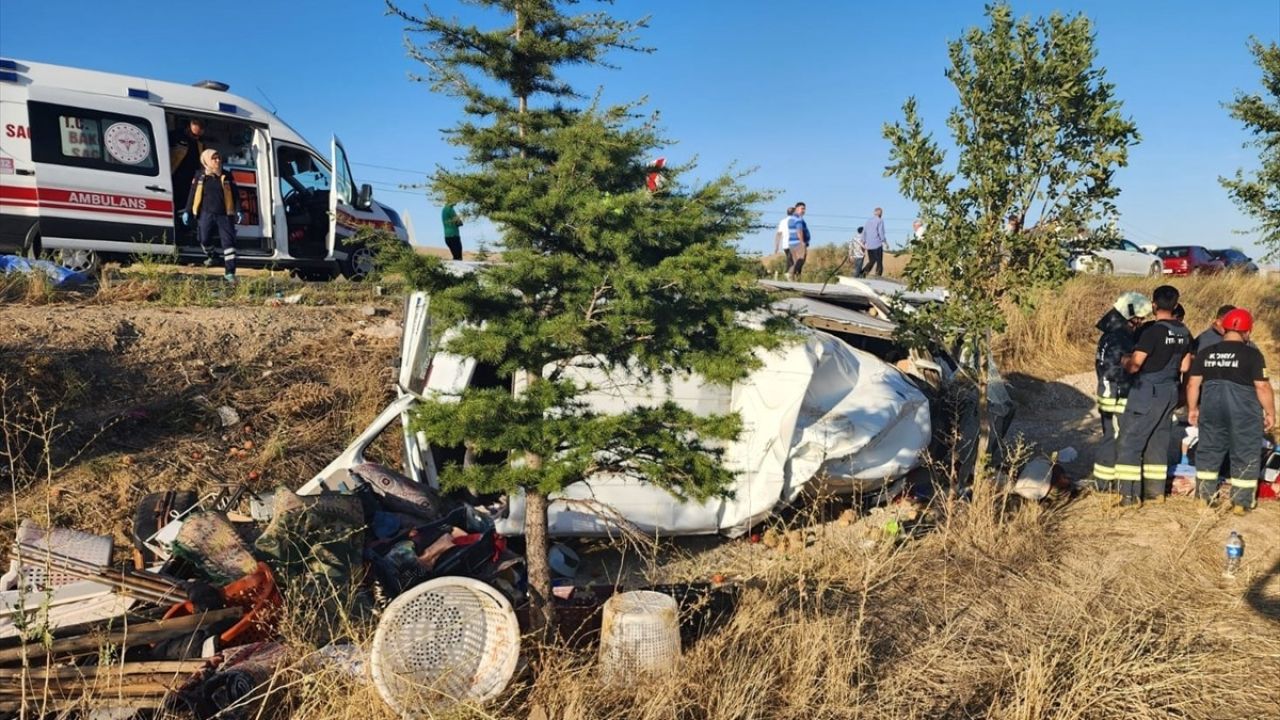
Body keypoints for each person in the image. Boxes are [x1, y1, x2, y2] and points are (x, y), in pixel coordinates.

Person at [1186, 308, 1274, 514]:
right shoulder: (1252, 354)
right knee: (1245, 453)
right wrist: (1271, 413)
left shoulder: (1207, 352)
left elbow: (1192, 384)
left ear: (1223, 327)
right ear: (1247, 331)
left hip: (1211, 409)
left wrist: (1192, 409)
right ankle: (1241, 503)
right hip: (1243, 412)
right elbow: (1262, 387)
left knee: (1209, 451)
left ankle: (1204, 497)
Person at [1114, 285, 1193, 507]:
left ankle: (1128, 497)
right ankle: (1155, 493)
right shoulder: (1184, 332)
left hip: (1147, 391)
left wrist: (1123, 360)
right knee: (1158, 443)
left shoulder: (1152, 332)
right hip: (1169, 391)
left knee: (1130, 443)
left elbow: (1135, 365)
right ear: (1176, 305)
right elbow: (1186, 365)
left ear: (1153, 305)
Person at [1092, 292, 1152, 493]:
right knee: (1115, 436)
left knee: (1111, 434)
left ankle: (1104, 482)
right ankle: (1104, 485)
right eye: (1140, 318)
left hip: (1108, 391)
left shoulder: (1111, 335)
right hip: (1116, 393)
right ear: (1130, 314)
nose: (1141, 321)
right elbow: (1128, 366)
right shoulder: (1119, 339)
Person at [183, 149, 241, 282]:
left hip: (225, 214)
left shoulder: (227, 175)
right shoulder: (200, 175)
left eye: (219, 158)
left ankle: (230, 272)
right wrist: (187, 210)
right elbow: (192, 193)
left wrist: (238, 210)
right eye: (214, 158)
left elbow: (235, 194)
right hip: (206, 213)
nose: (218, 160)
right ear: (206, 160)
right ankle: (212, 255)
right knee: (204, 239)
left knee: (229, 243)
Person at [169, 117, 206, 240]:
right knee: (175, 203)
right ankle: (176, 231)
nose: (200, 130)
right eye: (197, 125)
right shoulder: (177, 136)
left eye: (202, 128)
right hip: (175, 176)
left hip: (192, 180)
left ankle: (185, 232)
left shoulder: (201, 143)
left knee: (187, 206)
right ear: (191, 124)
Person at [786, 202, 809, 281]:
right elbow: (799, 231)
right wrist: (802, 242)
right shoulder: (798, 219)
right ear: (797, 208)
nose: (803, 211)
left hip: (791, 243)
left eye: (804, 209)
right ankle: (791, 274)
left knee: (796, 261)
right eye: (802, 209)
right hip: (798, 244)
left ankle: (794, 279)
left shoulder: (791, 219)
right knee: (800, 261)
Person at [862, 208, 887, 277]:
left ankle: (863, 272)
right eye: (881, 213)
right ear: (880, 213)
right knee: (879, 261)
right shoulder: (880, 220)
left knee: (872, 260)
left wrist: (863, 242)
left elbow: (864, 232)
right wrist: (884, 241)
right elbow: (881, 233)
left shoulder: (868, 221)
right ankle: (878, 275)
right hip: (877, 244)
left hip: (869, 245)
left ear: (874, 213)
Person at [775, 207, 795, 275]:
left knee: (790, 259)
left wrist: (777, 246)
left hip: (785, 244)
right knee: (793, 260)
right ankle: (788, 274)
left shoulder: (782, 221)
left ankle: (789, 274)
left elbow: (778, 234)